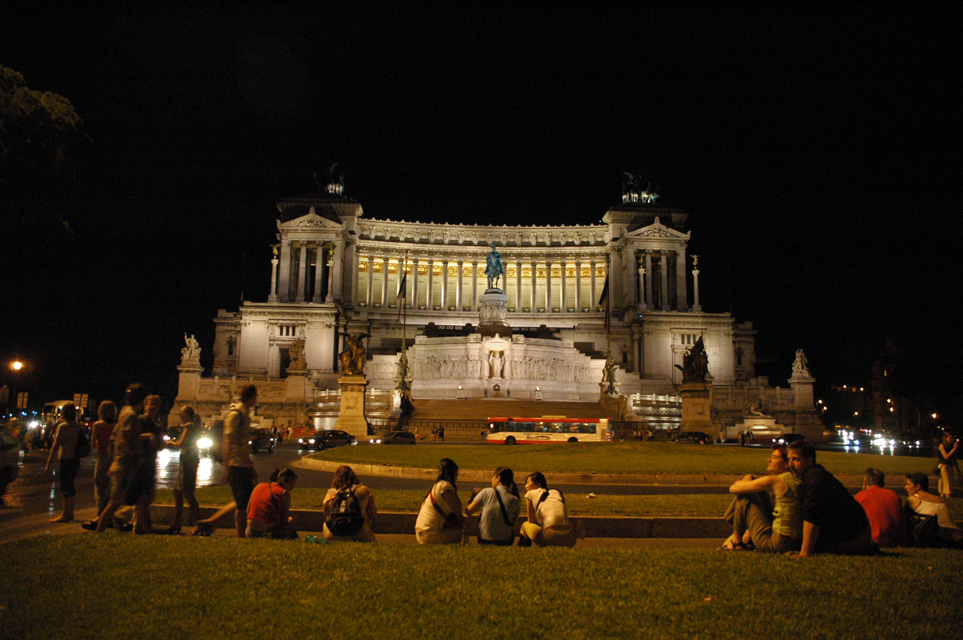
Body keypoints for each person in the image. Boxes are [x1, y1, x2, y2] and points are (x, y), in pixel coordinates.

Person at [787, 440, 873, 557]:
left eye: (796, 459)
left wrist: (804, 552)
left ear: (810, 460)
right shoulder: (815, 474)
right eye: (789, 459)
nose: (790, 464)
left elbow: (812, 515)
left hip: (853, 538)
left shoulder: (814, 479)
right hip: (857, 533)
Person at [192, 384, 258, 537]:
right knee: (243, 504)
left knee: (245, 501)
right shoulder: (235, 415)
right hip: (235, 464)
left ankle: (210, 522)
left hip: (243, 464)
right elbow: (227, 440)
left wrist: (250, 465)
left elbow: (241, 444)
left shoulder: (244, 415)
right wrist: (226, 466)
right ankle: (239, 536)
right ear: (251, 398)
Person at [721, 444, 802, 552]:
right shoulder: (793, 479)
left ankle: (736, 539)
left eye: (775, 457)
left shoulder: (776, 481)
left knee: (746, 493)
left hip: (776, 544)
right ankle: (743, 536)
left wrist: (747, 478)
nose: (769, 460)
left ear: (786, 464)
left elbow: (734, 488)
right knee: (752, 489)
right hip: (792, 540)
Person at [94, 384, 148, 533]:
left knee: (137, 498)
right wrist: (136, 455)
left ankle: (142, 529)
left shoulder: (125, 412)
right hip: (125, 463)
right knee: (115, 502)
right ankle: (99, 530)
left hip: (122, 462)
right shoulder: (131, 415)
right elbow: (124, 440)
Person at [42, 403, 83, 522]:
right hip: (75, 459)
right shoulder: (77, 426)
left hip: (65, 458)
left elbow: (55, 446)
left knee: (66, 486)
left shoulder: (63, 426)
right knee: (70, 485)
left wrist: (49, 463)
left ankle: (66, 514)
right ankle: (69, 512)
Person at [518, 471, 577, 548]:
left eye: (528, 482)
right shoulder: (556, 492)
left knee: (525, 525)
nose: (525, 486)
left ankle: (523, 549)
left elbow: (531, 520)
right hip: (570, 538)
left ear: (538, 484)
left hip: (550, 536)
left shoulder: (530, 494)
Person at [168, 405, 202, 534]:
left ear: (185, 415)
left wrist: (171, 442)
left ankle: (199, 523)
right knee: (178, 492)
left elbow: (181, 444)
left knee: (187, 493)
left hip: (188, 460)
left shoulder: (189, 426)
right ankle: (177, 522)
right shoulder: (195, 426)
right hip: (188, 460)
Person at [854, 468, 909, 548]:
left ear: (865, 482)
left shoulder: (861, 495)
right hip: (894, 539)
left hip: (873, 539)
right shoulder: (893, 495)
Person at [466, 467, 520, 545]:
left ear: (498, 478)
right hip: (505, 540)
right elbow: (514, 524)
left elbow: (468, 511)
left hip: (484, 539)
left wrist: (473, 497)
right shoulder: (515, 500)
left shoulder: (486, 492)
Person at [322, 465, 377, 542]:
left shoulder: (331, 492)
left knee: (325, 525)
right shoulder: (364, 490)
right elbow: (373, 513)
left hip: (334, 533)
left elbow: (326, 515)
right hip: (359, 532)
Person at [415, 458, 464, 545]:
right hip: (429, 534)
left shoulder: (437, 485)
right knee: (461, 531)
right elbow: (458, 509)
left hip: (421, 531)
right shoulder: (445, 487)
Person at [904, 471, 962, 544]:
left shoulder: (913, 499)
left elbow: (903, 518)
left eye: (908, 484)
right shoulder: (940, 499)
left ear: (918, 486)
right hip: (954, 532)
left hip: (938, 534)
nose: (905, 487)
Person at [246, 468, 299, 539]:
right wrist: (289, 520)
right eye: (291, 485)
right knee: (290, 524)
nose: (292, 488)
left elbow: (248, 511)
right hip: (268, 531)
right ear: (283, 481)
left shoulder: (259, 486)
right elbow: (284, 520)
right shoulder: (284, 493)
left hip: (250, 531)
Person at [90, 400, 118, 517]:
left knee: (100, 484)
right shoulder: (117, 425)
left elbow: (92, 444)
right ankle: (109, 512)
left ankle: (100, 511)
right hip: (113, 457)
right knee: (111, 486)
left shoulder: (97, 425)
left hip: (102, 456)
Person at [936, 432, 960, 499]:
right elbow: (946, 457)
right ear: (945, 438)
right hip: (944, 466)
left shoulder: (951, 447)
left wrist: (958, 470)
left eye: (953, 438)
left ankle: (943, 499)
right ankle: (947, 498)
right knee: (946, 485)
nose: (952, 439)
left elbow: (954, 460)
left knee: (948, 483)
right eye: (950, 438)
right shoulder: (942, 446)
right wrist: (954, 449)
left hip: (950, 466)